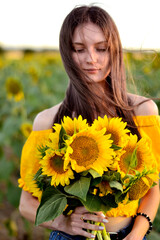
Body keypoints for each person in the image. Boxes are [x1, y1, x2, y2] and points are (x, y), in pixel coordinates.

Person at [18, 5, 160, 240]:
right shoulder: (49, 121)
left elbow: (152, 188)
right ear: (67, 52)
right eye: (79, 49)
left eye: (101, 48)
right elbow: (25, 204)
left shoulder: (142, 112)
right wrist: (64, 222)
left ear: (114, 50)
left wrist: (137, 234)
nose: (91, 59)